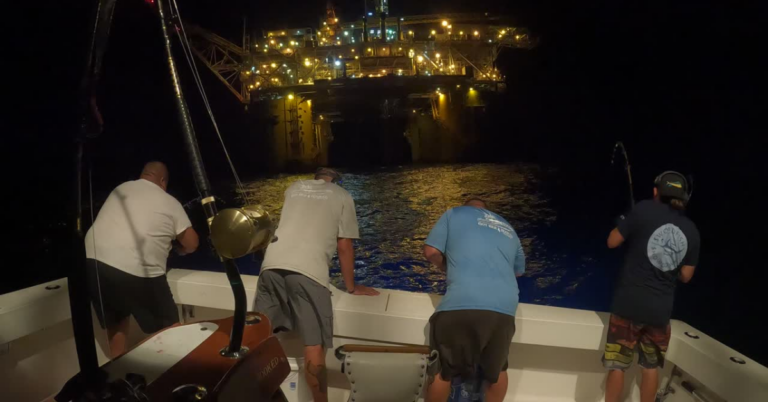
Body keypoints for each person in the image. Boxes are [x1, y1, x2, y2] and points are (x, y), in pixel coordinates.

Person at [254, 167, 379, 402]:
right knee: (314, 345)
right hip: (308, 272)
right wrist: (351, 287)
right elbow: (344, 246)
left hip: (270, 265)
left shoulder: (294, 188)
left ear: (315, 180)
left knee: (260, 339)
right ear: (335, 182)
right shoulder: (342, 195)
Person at [603, 171, 700, 402]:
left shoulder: (642, 209)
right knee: (650, 367)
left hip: (628, 305)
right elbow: (686, 275)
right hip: (659, 311)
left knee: (617, 366)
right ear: (684, 197)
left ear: (656, 191)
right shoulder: (691, 230)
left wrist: (625, 221)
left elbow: (612, 242)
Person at [84, 161, 199, 358]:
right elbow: (192, 243)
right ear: (163, 181)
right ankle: (168, 371)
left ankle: (119, 367)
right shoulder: (169, 200)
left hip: (93, 261)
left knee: (117, 319)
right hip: (136, 265)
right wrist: (179, 249)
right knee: (170, 327)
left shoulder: (121, 188)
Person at [423, 198, 526, 402]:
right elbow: (518, 272)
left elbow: (431, 251)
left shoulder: (454, 213)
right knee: (497, 372)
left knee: (443, 371)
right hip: (504, 309)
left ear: (466, 207)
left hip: (462, 302)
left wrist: (447, 267)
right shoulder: (508, 227)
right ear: (487, 212)